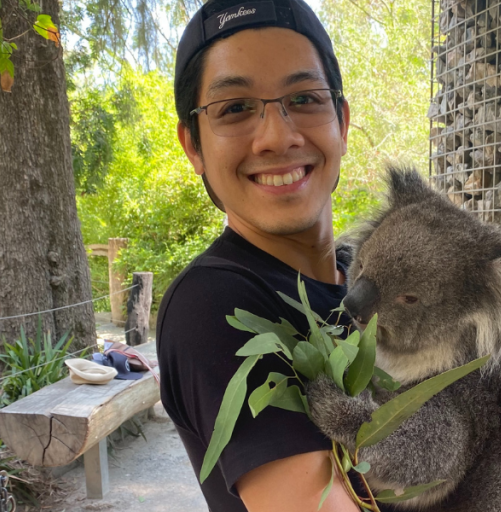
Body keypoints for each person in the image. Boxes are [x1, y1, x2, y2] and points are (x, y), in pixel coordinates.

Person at [156, 0, 360, 510]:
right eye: (235, 108)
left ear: (342, 120)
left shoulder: (371, 276)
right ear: (193, 146)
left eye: (306, 98)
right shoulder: (212, 304)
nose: (278, 137)